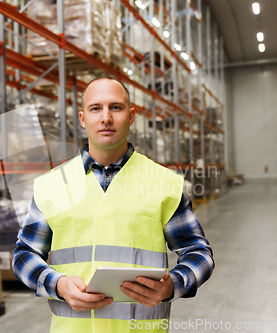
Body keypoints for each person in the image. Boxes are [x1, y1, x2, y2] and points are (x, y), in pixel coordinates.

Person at [13, 76, 214, 332]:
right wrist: (58, 284)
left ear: (131, 117)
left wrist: (172, 284)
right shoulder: (52, 185)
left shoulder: (164, 184)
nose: (106, 117)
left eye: (115, 108)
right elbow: (24, 255)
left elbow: (199, 253)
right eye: (96, 108)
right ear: (83, 118)